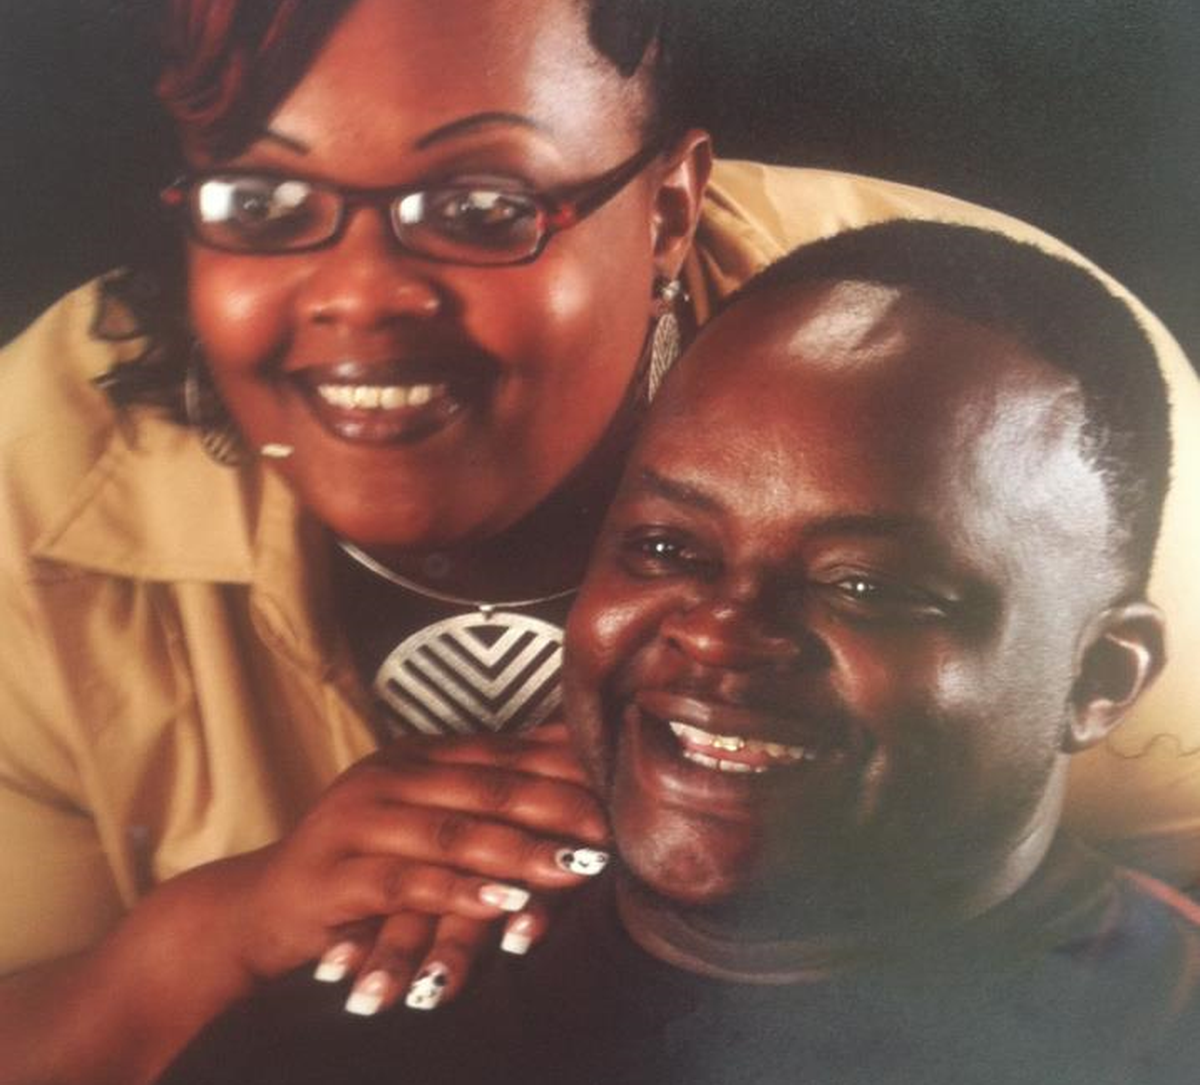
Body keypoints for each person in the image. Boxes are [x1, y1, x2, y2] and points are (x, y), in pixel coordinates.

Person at [2, 0, 1200, 1083]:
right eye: (267, 198)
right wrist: (215, 933)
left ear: (672, 204)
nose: (356, 300)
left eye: (479, 205)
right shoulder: (36, 473)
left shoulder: (1004, 386)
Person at [163, 222, 1200, 1085]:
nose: (717, 627)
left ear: (1099, 678)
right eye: (667, 548)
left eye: (866, 586)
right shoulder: (333, 1044)